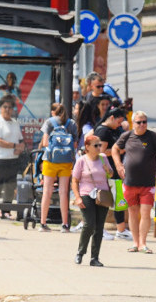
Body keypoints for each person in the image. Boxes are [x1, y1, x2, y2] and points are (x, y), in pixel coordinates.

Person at [112, 111, 156, 253]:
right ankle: (135, 242)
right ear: (133, 123)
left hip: (148, 184)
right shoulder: (127, 136)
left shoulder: (153, 136)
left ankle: (143, 244)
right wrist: (118, 165)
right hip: (129, 182)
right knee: (133, 213)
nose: (142, 125)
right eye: (139, 122)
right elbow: (115, 148)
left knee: (145, 213)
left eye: (144, 122)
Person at [72, 133, 113, 266]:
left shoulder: (103, 158)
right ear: (87, 147)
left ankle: (94, 257)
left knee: (99, 227)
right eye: (96, 145)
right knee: (89, 224)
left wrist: (108, 170)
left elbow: (111, 173)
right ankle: (80, 252)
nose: (99, 147)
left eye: (100, 145)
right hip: (86, 194)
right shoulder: (81, 161)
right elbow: (75, 180)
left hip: (103, 195)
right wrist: (77, 197)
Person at [93, 108, 132, 241]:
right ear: (111, 118)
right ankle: (99, 229)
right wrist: (118, 151)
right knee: (103, 200)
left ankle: (121, 229)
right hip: (106, 171)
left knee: (119, 200)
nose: (119, 125)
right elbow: (101, 152)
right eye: (118, 121)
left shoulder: (115, 130)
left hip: (116, 171)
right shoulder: (103, 131)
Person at [38, 103, 79, 232]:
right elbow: (75, 144)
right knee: (63, 192)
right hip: (66, 162)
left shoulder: (49, 122)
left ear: (53, 112)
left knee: (47, 192)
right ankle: (64, 224)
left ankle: (43, 223)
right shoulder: (71, 123)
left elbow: (45, 142)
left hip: (50, 160)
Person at [0, 97, 26, 221]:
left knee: (10, 185)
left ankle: (6, 211)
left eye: (10, 107)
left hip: (12, 159)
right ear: (0, 108)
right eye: (5, 107)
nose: (7, 110)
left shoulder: (14, 122)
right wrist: (14, 146)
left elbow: (21, 140)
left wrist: (20, 148)